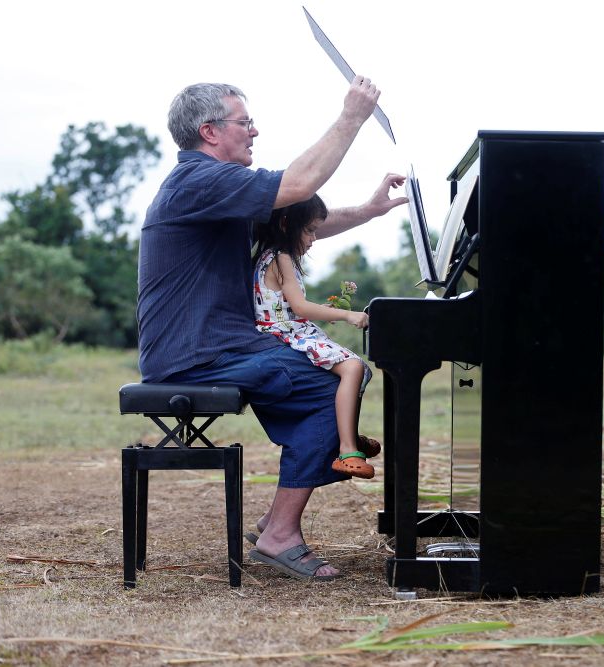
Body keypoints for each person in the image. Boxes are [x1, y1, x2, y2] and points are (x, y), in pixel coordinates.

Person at [137, 78, 406, 581]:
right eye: (245, 122)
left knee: (336, 380)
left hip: (223, 348)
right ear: (210, 131)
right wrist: (352, 115)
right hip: (198, 355)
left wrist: (369, 212)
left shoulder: (216, 190)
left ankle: (284, 507)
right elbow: (298, 185)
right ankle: (281, 531)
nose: (254, 131)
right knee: (331, 385)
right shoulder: (201, 180)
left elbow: (296, 223)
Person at [252, 195, 380, 480]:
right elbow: (300, 308)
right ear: (286, 224)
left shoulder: (268, 255)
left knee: (352, 367)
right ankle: (347, 449)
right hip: (285, 334)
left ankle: (348, 435)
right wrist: (347, 315)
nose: (313, 239)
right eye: (309, 230)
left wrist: (325, 310)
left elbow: (286, 305)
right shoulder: (282, 257)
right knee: (353, 367)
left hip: (286, 328)